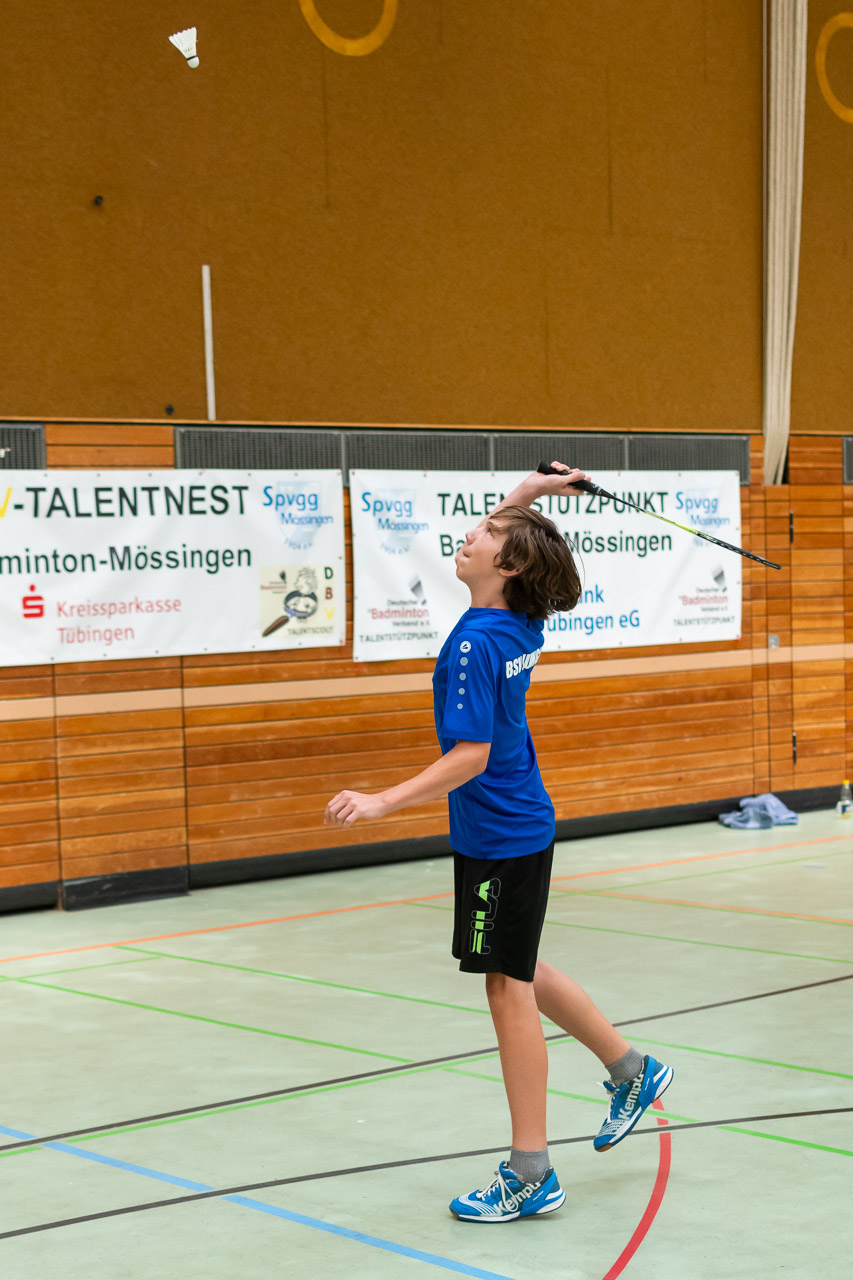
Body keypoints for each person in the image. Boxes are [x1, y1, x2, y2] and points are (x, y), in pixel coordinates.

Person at [324, 463, 673, 1223]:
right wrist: (531, 492)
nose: (470, 533)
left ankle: (530, 1172)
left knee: (505, 987)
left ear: (507, 565)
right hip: (517, 824)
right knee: (518, 965)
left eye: (484, 532)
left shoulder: (476, 644)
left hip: (501, 832)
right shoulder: (519, 617)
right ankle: (630, 1068)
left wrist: (383, 800)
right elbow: (512, 536)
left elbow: (471, 756)